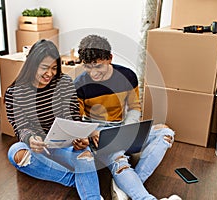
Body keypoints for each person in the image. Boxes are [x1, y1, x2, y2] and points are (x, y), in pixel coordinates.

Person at [74, 35, 181, 200]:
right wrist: (92, 132)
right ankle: (140, 193)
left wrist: (129, 129)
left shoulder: (128, 76)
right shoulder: (79, 84)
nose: (93, 73)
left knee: (166, 134)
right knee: (118, 157)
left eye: (98, 66)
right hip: (97, 135)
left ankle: (124, 184)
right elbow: (76, 121)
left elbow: (134, 108)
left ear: (110, 58)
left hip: (121, 127)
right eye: (88, 67)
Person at [4, 39, 102, 200]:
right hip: (40, 148)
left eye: (54, 68)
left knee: (85, 154)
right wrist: (31, 138)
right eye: (44, 68)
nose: (49, 73)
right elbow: (21, 127)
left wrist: (80, 138)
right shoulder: (15, 93)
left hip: (66, 145)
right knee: (16, 152)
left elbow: (73, 117)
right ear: (31, 64)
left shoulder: (64, 83)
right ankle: (77, 179)